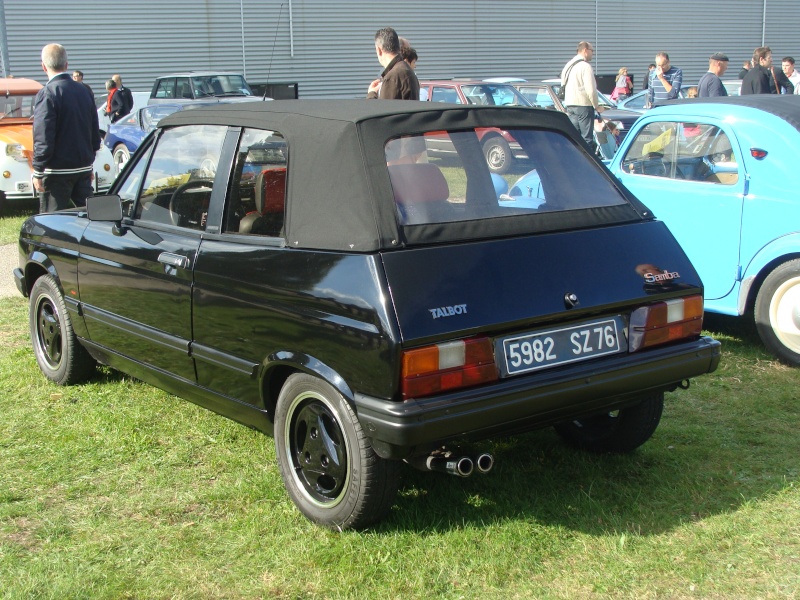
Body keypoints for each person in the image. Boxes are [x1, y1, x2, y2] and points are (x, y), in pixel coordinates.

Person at [32, 43, 101, 213]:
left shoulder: (48, 93)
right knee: (92, 218)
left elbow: (44, 135)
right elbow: (93, 129)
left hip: (57, 170)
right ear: (66, 65)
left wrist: (38, 169)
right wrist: (90, 161)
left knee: (51, 221)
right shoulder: (84, 90)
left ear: (43, 67)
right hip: (83, 165)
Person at [561, 41, 604, 153]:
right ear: (585, 50)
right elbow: (591, 89)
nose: (592, 53)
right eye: (591, 51)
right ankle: (588, 165)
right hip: (583, 105)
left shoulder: (568, 65)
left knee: (574, 138)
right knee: (586, 139)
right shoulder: (585, 66)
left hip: (570, 104)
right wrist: (596, 106)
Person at [366, 27, 419, 100]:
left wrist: (372, 94)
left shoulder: (392, 77)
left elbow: (383, 110)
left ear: (379, 50)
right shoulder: (406, 70)